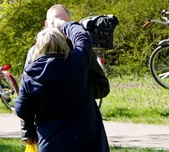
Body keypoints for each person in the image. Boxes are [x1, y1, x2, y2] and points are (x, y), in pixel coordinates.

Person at [14, 10, 110, 152]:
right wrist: (65, 25)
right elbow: (83, 37)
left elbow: (22, 107)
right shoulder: (77, 61)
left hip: (51, 139)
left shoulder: (31, 72)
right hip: (85, 138)